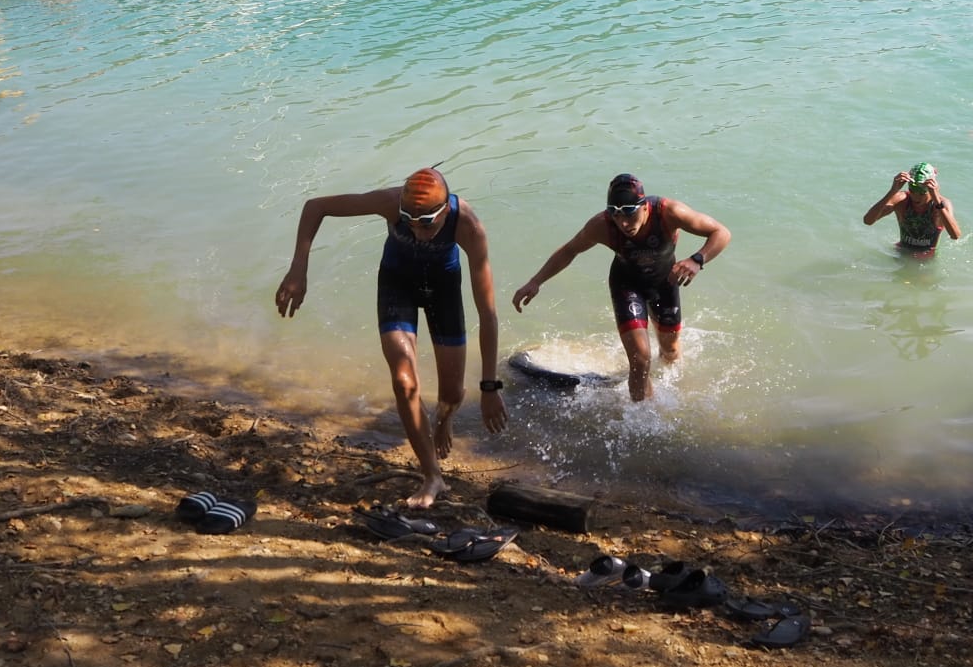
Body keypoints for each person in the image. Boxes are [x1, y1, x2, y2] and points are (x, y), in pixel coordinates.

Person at [274, 167, 504, 508]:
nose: (417, 230)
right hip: (398, 286)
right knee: (404, 381)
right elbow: (315, 206)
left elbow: (487, 314)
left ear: (444, 211)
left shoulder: (468, 225)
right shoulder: (390, 202)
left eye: (427, 223)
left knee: (452, 393)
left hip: (443, 291)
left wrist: (489, 386)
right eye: (409, 221)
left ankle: (443, 421)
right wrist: (298, 267)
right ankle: (432, 476)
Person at [511, 173, 730, 402]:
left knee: (671, 353)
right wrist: (536, 281)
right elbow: (570, 250)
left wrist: (697, 260)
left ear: (644, 207)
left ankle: (670, 389)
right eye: (616, 215)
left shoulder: (669, 213)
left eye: (629, 213)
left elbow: (721, 233)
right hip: (627, 284)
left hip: (665, 282)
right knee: (640, 358)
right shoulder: (602, 225)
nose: (623, 223)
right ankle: (642, 416)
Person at [863, 162, 962, 257]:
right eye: (912, 191)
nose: (916, 197)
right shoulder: (901, 200)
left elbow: (955, 235)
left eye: (922, 193)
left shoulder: (941, 204)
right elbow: (868, 221)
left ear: (931, 190)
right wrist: (892, 191)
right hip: (901, 252)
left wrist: (936, 200)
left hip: (926, 257)